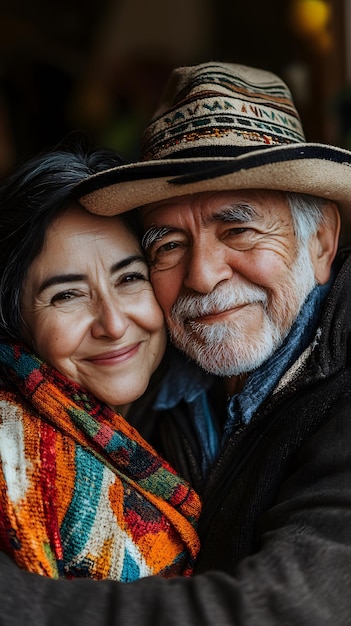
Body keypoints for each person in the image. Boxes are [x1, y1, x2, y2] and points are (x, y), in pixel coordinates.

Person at [2, 61, 351, 625]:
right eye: (167, 245)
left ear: (321, 243)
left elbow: (298, 607)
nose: (202, 276)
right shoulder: (156, 387)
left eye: (237, 228)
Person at [0, 141, 202, 582]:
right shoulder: (15, 456)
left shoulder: (193, 402)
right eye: (67, 295)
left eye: (130, 278)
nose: (112, 324)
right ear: (16, 319)